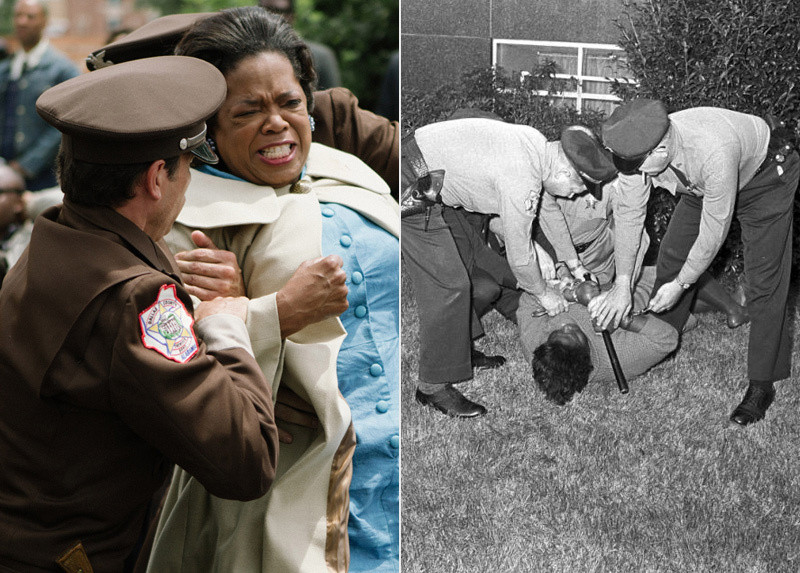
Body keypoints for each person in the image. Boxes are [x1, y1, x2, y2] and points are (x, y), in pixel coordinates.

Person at [142, 8, 399, 573]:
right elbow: (169, 375)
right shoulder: (184, 222)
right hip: (305, 483)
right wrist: (257, 312)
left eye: (290, 103)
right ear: (208, 128)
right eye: (248, 111)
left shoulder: (350, 172)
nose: (277, 122)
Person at [0, 56, 280, 572]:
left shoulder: (52, 238)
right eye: (188, 167)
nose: (189, 183)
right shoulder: (141, 301)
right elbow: (248, 460)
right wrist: (225, 320)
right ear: (156, 178)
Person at [599, 99, 800, 426]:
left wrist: (681, 285)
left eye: (636, 166)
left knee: (766, 282)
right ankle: (665, 341)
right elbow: (629, 215)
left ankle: (762, 384)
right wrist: (623, 283)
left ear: (660, 151)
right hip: (699, 183)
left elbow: (714, 230)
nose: (632, 174)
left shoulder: (713, 150)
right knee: (673, 256)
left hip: (766, 178)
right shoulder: (639, 148)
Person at [401, 117, 617, 417]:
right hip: (412, 182)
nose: (574, 196)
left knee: (468, 269)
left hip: (425, 173)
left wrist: (573, 263)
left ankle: (458, 353)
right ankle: (431, 387)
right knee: (450, 284)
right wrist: (544, 294)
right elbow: (519, 256)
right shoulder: (523, 178)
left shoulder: (538, 147)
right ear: (567, 171)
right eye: (578, 190)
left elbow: (548, 207)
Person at [519, 268, 679, 404]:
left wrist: (572, 294)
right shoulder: (618, 358)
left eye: (557, 333)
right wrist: (618, 316)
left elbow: (529, 298)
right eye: (574, 335)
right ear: (586, 356)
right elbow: (666, 339)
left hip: (608, 274)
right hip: (657, 291)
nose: (565, 326)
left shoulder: (535, 343)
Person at [0, 0, 79, 193]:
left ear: (44, 22)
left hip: (42, 179)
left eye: (30, 16)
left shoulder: (62, 69)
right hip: (3, 173)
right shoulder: (5, 69)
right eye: (18, 16)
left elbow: (65, 125)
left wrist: (26, 166)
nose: (22, 22)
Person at [258, 0, 342, 90]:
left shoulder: (320, 57)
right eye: (266, 10)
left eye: (279, 11)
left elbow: (333, 99)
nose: (272, 16)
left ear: (292, 16)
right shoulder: (246, 53)